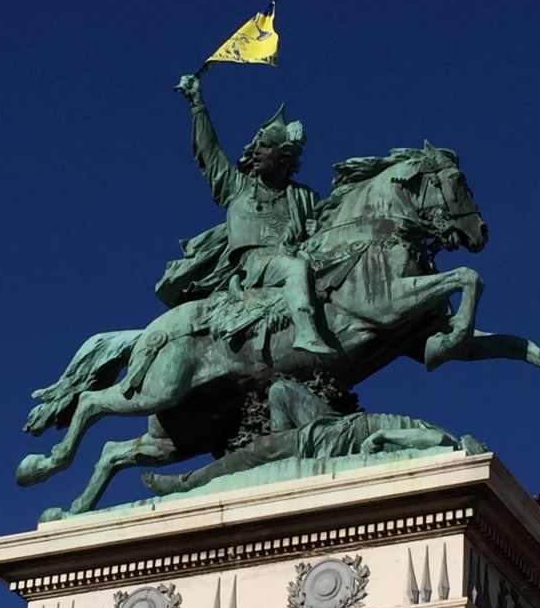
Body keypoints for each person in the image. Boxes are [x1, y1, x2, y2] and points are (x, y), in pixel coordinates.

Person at [155, 74, 334, 356]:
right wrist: (198, 105)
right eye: (257, 147)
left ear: (284, 156)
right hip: (252, 265)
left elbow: (323, 231)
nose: (256, 152)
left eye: (265, 147)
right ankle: (306, 333)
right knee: (294, 268)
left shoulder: (304, 196)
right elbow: (208, 152)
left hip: (297, 256)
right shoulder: (237, 186)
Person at [142, 380, 486, 495]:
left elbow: (391, 438)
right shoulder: (446, 443)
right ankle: (284, 450)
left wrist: (380, 437)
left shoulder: (446, 448)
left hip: (334, 439)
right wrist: (381, 435)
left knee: (254, 452)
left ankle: (188, 484)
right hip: (341, 427)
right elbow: (408, 438)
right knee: (280, 389)